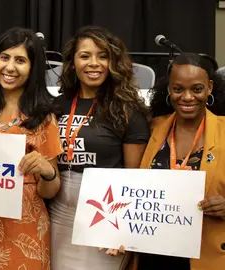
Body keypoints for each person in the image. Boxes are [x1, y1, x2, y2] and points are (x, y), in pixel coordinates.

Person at [49, 25, 151, 270]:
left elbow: (135, 178)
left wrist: (124, 229)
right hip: (58, 215)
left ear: (113, 62)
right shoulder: (58, 104)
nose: (94, 63)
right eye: (85, 56)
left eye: (102, 56)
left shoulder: (128, 110)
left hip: (105, 217)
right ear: (72, 63)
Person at [0, 27, 63, 269]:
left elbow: (50, 190)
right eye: (4, 57)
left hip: (24, 228)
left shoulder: (43, 116)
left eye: (20, 60)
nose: (9, 67)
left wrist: (46, 172)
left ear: (32, 68)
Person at [128, 52, 225, 269]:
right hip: (152, 253)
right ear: (169, 89)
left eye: (197, 89)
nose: (187, 97)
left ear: (209, 87)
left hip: (206, 253)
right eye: (178, 89)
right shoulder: (152, 128)